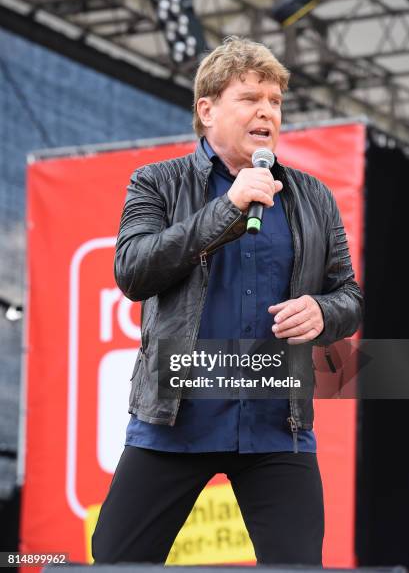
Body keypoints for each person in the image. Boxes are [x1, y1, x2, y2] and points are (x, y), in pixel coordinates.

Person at [92, 36, 362, 566]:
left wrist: (323, 312)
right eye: (250, 98)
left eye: (276, 101)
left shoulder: (313, 197)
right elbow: (132, 270)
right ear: (207, 109)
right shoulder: (157, 183)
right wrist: (228, 206)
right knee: (115, 559)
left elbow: (349, 296)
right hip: (174, 422)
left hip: (274, 427)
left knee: (299, 567)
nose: (267, 111)